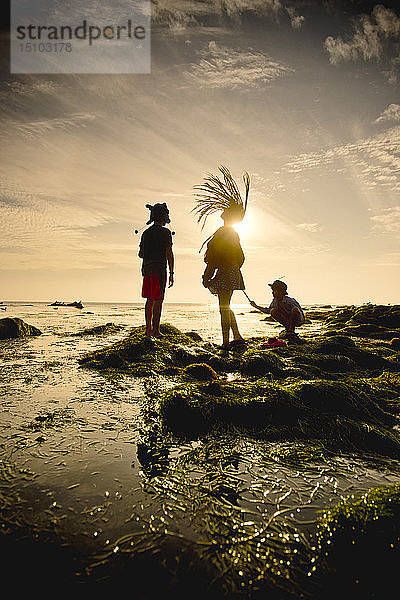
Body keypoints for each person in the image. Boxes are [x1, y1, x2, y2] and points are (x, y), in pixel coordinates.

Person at [193, 166, 251, 350]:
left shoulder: (222, 234)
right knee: (226, 305)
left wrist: (207, 276)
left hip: (226, 272)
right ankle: (237, 336)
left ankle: (226, 343)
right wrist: (234, 268)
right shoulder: (234, 234)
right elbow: (241, 258)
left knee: (223, 307)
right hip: (233, 272)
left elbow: (212, 258)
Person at [139, 203, 174, 338]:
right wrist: (172, 272)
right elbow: (169, 253)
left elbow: (140, 254)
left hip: (147, 269)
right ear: (164, 217)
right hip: (159, 269)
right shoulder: (166, 233)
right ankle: (156, 330)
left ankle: (148, 330)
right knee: (158, 299)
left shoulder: (145, 233)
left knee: (149, 300)